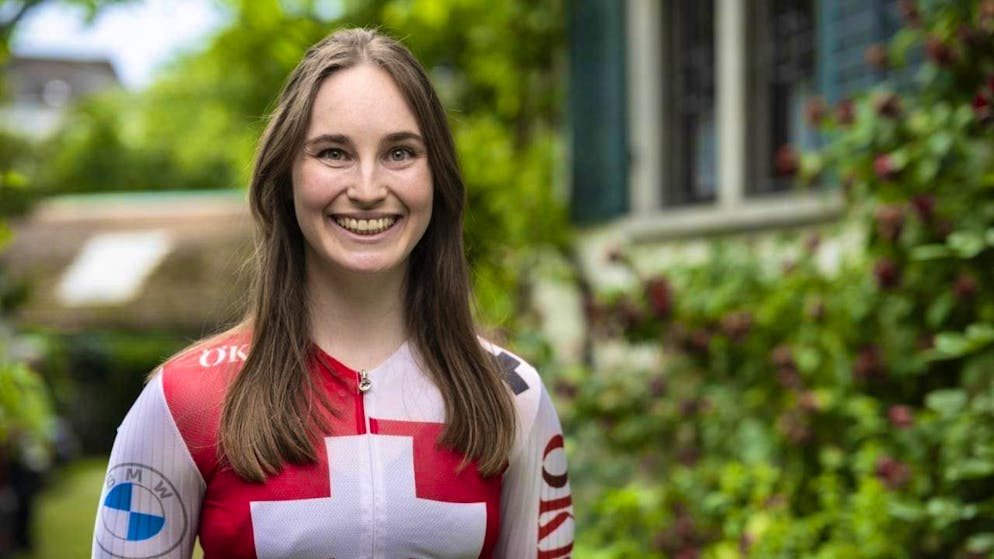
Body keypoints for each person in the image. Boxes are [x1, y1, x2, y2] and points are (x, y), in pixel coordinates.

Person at [91, 28, 573, 559]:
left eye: (400, 152)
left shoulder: (512, 397)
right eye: (334, 153)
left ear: (437, 178)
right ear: (285, 177)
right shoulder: (186, 400)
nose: (367, 189)